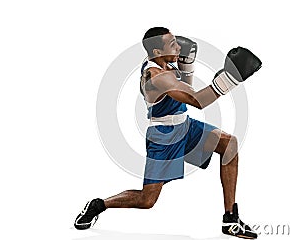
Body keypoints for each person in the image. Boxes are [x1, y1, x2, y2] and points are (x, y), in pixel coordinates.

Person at [74, 27, 262, 239]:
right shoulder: (156, 77)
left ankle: (230, 219)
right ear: (156, 52)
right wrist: (230, 79)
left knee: (230, 145)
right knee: (147, 200)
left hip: (185, 126)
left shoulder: (167, 64)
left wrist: (187, 67)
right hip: (164, 137)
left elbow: (185, 90)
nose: (179, 46)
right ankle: (99, 205)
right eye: (172, 44)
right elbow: (197, 101)